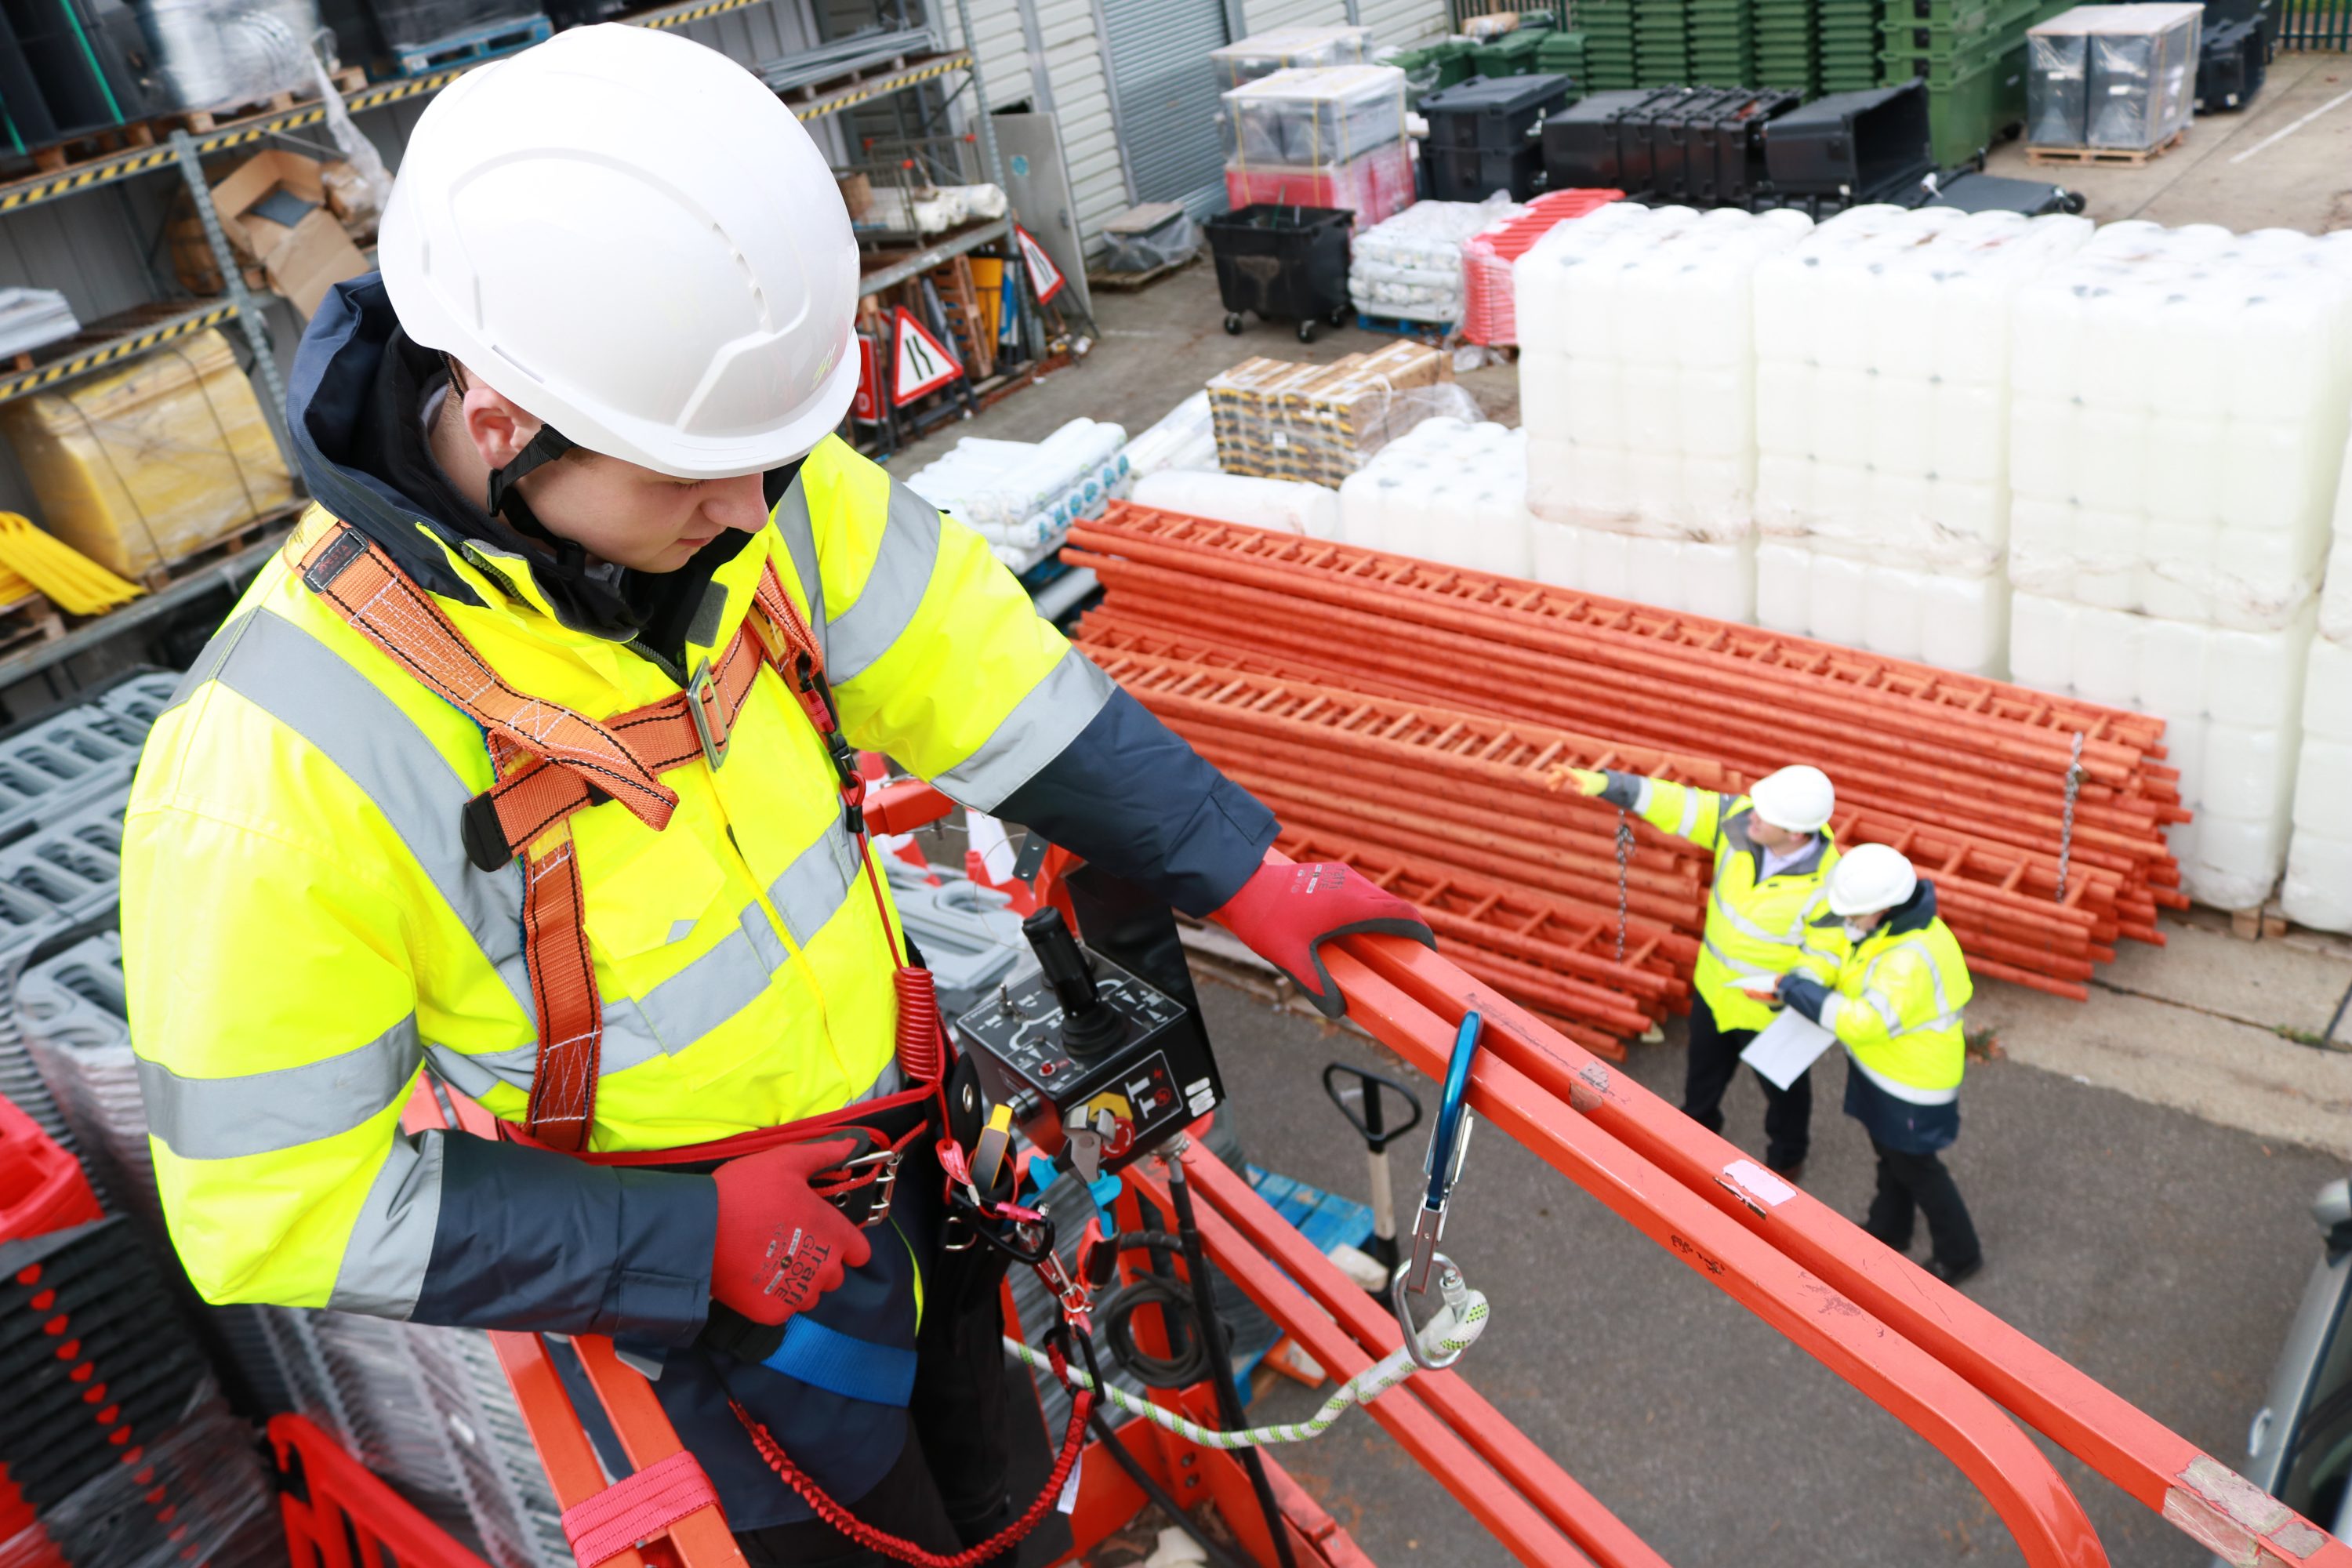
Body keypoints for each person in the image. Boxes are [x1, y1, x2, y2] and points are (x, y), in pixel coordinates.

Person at [118, 26, 1434, 1565]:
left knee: (1003, 1505)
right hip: (690, 1307)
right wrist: (682, 1245)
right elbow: (267, 1201)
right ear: (497, 416)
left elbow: (974, 667)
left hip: (902, 1186)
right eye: (691, 474)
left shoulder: (738, 490)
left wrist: (1240, 867)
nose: (750, 514)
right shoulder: (278, 761)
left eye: (768, 459)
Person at [1566, 763, 1842, 1179]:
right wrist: (1609, 784)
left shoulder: (1830, 884)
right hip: (1713, 992)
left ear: (1797, 835)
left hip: (1770, 1014)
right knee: (1701, 1078)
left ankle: (1788, 1156)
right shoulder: (1742, 820)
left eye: (1763, 815)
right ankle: (1697, 1132)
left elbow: (1827, 954)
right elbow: (1678, 803)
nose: (1752, 815)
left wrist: (1793, 988)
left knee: (1784, 1093)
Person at [1775, 843, 1983, 1287]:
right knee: (1891, 1157)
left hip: (1911, 1085)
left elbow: (1863, 1021)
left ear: (1884, 907)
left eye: (1854, 916)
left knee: (1917, 1168)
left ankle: (1959, 1254)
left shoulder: (1907, 957)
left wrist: (1799, 993)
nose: (1848, 924)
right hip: (1893, 1075)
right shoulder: (1895, 931)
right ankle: (1889, 1228)